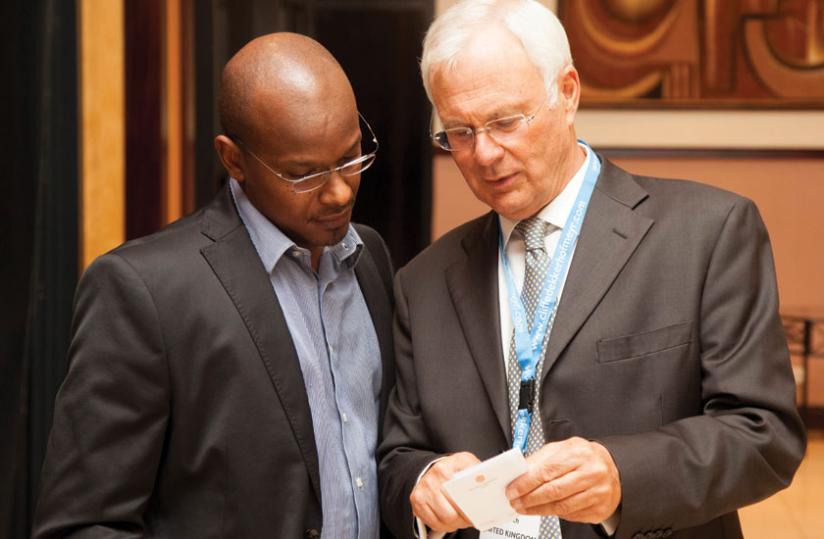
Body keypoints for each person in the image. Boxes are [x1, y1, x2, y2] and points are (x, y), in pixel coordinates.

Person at [377, 1, 806, 538]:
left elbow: (764, 435)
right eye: (459, 132)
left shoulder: (706, 233)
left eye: (505, 121)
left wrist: (624, 476)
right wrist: (423, 480)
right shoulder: (423, 283)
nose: (484, 154)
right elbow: (398, 457)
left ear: (568, 92)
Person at [33, 33, 394, 538]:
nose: (338, 191)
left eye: (351, 157)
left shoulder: (369, 256)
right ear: (234, 160)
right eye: (303, 174)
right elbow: (83, 525)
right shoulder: (144, 291)